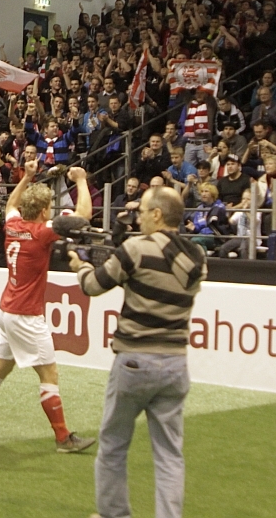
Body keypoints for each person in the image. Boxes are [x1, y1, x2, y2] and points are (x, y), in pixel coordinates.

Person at [70, 186, 207, 518]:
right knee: (170, 455)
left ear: (157, 215)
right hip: (175, 362)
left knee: (114, 444)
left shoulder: (135, 249)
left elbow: (93, 285)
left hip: (134, 359)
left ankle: (113, 513)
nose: (138, 218)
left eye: (142, 212)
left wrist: (79, 265)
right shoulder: (196, 257)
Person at [0, 160, 96, 454]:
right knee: (50, 375)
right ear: (45, 211)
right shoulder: (42, 232)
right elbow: (84, 216)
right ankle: (63, 438)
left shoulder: (13, 225)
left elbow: (11, 203)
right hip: (25, 315)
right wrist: (81, 180)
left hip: (7, 310)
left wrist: (28, 177)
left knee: (1, 368)